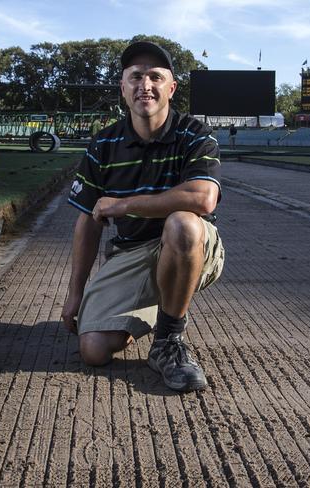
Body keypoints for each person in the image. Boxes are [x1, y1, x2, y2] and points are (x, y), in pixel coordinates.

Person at [63, 41, 224, 392]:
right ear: (123, 87)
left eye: (155, 76)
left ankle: (168, 341)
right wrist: (75, 293)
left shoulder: (194, 134)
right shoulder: (103, 145)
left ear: (171, 87)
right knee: (93, 350)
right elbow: (88, 221)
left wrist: (123, 205)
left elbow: (204, 198)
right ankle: (160, 307)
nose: (145, 85)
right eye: (135, 76)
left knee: (182, 224)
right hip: (132, 251)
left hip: (193, 244)